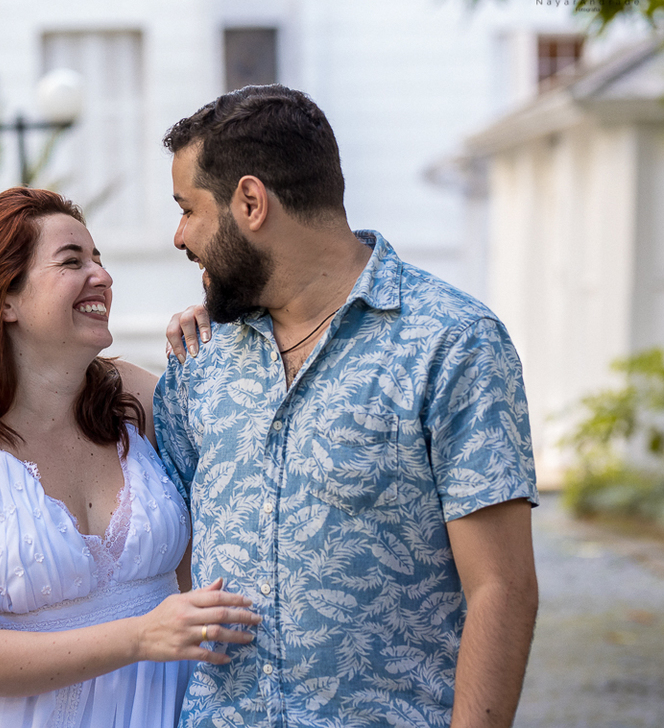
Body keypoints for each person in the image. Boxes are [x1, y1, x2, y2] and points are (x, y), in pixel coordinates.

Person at [153, 85, 540, 728]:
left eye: (188, 209)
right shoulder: (201, 360)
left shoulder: (451, 343)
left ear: (250, 202)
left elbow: (502, 588)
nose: (178, 236)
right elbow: (170, 542)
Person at [0, 187, 261, 727]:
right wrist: (140, 636)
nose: (102, 277)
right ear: (5, 300)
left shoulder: (139, 401)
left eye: (99, 260)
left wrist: (224, 344)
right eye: (71, 261)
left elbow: (251, 448)